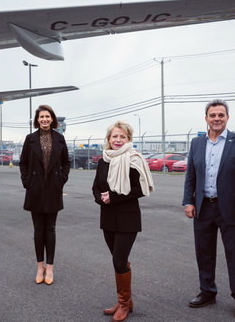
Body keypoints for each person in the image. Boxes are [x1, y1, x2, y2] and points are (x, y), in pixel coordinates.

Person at [182, 99, 235, 319]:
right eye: (212, 115)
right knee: (204, 253)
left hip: (232, 210)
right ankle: (207, 292)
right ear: (206, 118)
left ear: (227, 118)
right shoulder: (197, 143)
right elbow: (191, 175)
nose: (216, 119)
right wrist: (188, 201)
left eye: (221, 115)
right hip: (203, 207)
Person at [92, 121, 154, 322]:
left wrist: (113, 197)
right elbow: (96, 186)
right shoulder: (103, 160)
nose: (118, 140)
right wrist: (100, 197)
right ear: (108, 139)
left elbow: (139, 190)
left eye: (122, 137)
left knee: (119, 260)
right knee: (118, 261)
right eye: (114, 137)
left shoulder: (134, 159)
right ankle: (124, 301)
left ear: (129, 139)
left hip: (128, 218)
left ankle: (124, 305)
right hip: (108, 217)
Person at [19, 105, 70, 285]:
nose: (44, 120)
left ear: (52, 118)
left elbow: (66, 162)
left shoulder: (60, 138)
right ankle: (40, 266)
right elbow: (23, 163)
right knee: (38, 229)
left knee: (51, 229)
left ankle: (50, 267)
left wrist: (61, 180)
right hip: (35, 190)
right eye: (41, 117)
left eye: (47, 117)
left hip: (53, 189)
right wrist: (27, 182)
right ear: (37, 120)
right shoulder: (30, 139)